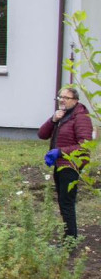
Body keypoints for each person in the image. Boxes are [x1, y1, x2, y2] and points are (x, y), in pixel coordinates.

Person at [38, 87, 93, 239]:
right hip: (60, 164)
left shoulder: (81, 117)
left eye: (66, 98)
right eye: (60, 97)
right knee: (63, 202)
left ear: (75, 101)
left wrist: (60, 152)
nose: (62, 100)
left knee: (66, 203)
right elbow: (42, 134)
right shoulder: (63, 116)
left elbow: (85, 146)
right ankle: (68, 236)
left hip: (71, 165)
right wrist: (53, 120)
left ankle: (70, 239)